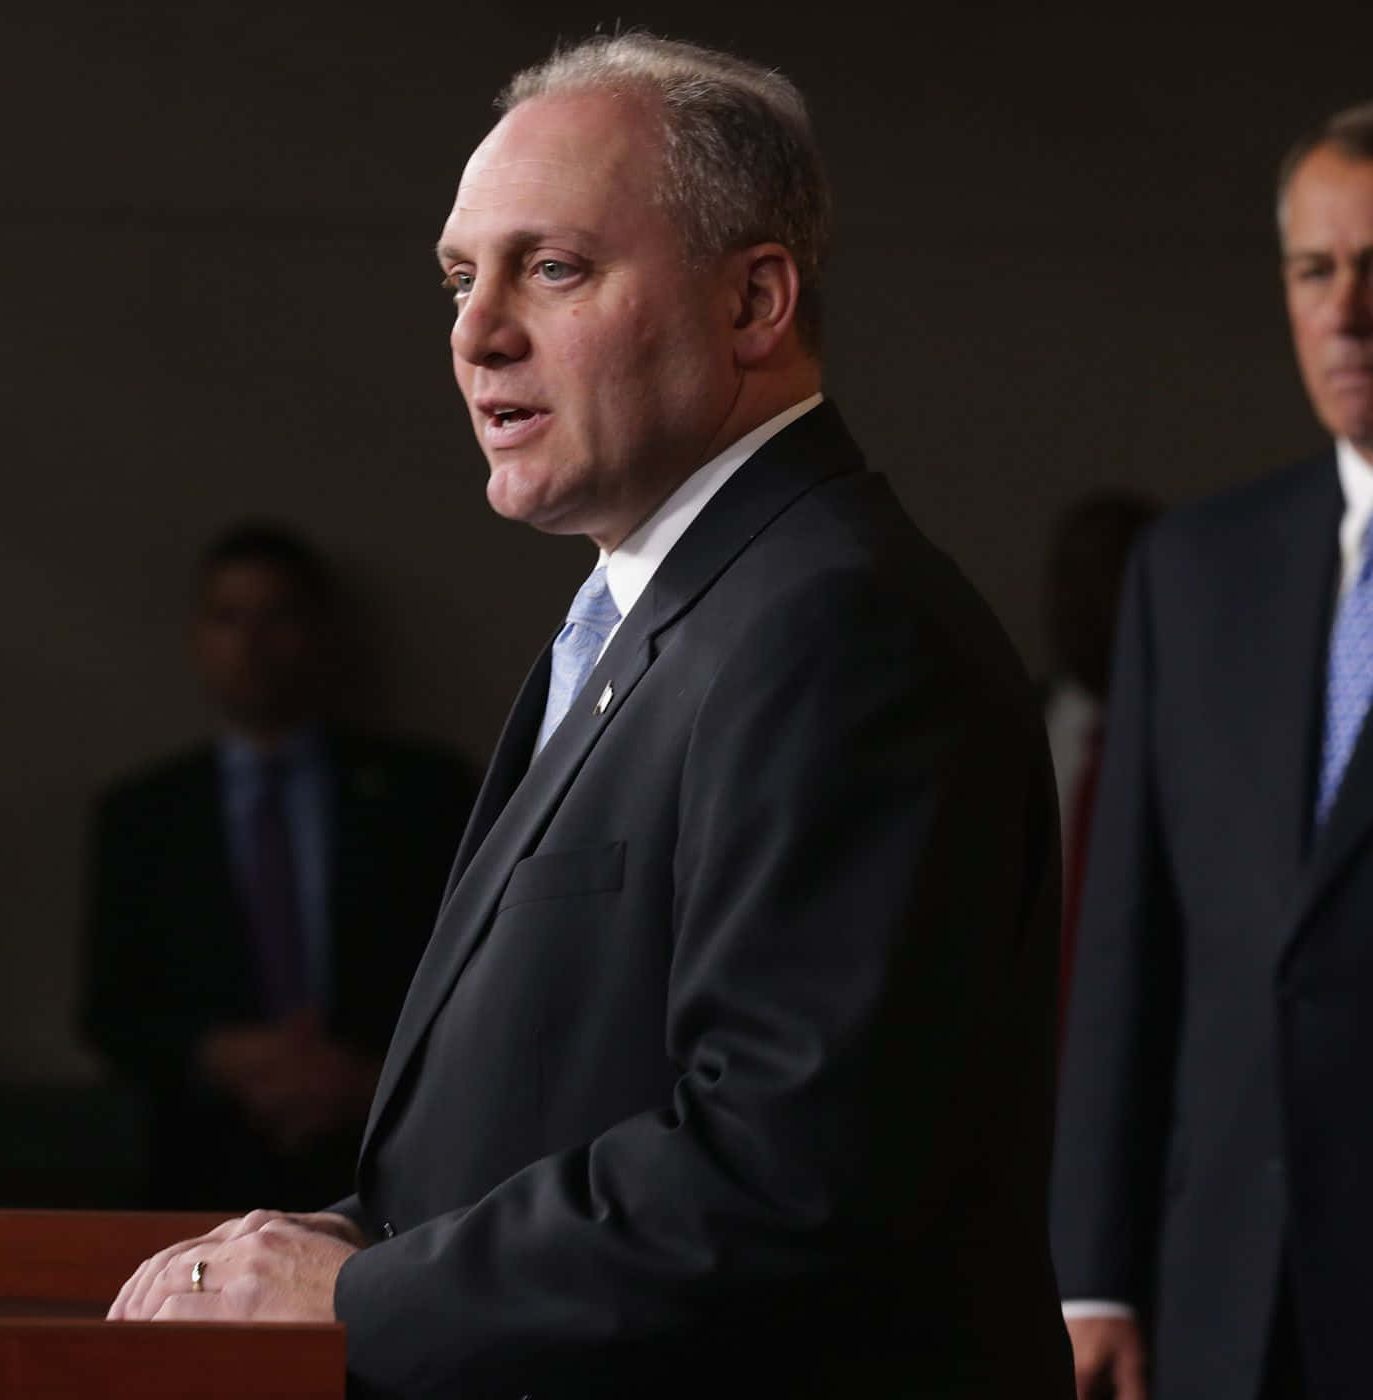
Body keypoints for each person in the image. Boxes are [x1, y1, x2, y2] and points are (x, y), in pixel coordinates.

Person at [107, 34, 1074, 1397]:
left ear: (754, 302)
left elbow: (790, 1171)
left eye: (550, 268)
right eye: (459, 276)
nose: (474, 332)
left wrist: (370, 1291)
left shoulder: (837, 627)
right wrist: (343, 1237)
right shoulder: (665, 609)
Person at [1052, 101, 1373, 1399]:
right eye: (1316, 270)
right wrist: (1096, 1272)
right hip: (1224, 1293)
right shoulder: (1195, 571)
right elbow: (1131, 945)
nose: (1347, 310)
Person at [80, 521, 476, 1209]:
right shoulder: (143, 814)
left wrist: (371, 1077)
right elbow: (110, 1011)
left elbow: (476, 973)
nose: (252, 645)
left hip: (394, 1155)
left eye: (278, 616)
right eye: (229, 618)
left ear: (320, 632)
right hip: (197, 1174)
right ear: (197, 638)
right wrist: (224, 1055)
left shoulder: (426, 793)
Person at [1040, 491, 1158, 1026]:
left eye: (1113, 576)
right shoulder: (1001, 730)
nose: (1086, 603)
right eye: (1072, 579)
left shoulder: (1208, 751)